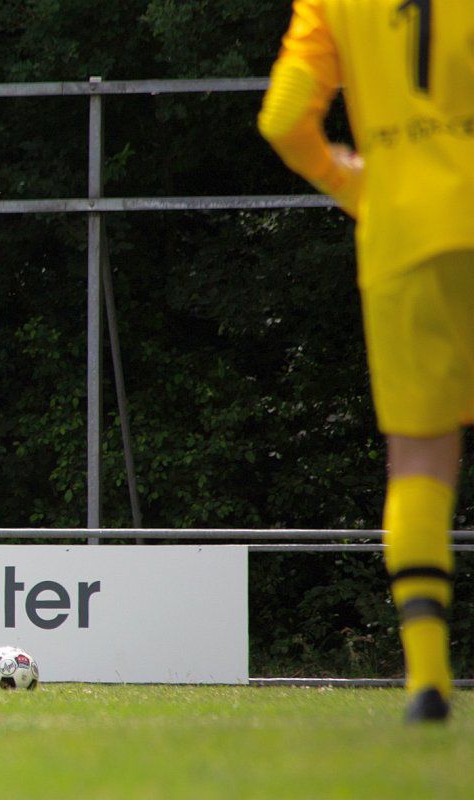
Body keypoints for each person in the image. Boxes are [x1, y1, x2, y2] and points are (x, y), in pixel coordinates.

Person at [259, 0, 474, 722]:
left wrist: (357, 186)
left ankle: (427, 680)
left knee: (419, 458)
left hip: (402, 234)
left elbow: (283, 118)